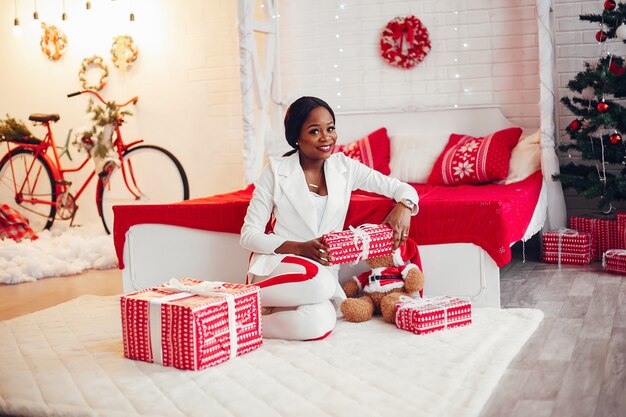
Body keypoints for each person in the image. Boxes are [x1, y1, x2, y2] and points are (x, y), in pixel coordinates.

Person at [240, 96, 419, 341]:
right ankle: (250, 297)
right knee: (322, 287)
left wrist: (404, 205)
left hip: (322, 273)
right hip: (280, 266)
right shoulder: (275, 170)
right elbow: (249, 235)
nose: (326, 138)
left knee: (321, 323)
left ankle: (243, 326)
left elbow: (401, 188)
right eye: (315, 131)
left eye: (330, 128)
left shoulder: (345, 167)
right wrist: (300, 248)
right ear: (296, 136)